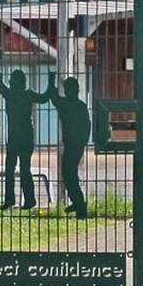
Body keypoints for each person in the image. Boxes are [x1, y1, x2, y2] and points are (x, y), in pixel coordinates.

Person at [0, 49, 55, 210]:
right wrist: (51, 81)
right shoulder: (26, 94)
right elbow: (45, 97)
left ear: (15, 83)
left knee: (10, 170)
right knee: (24, 170)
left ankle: (10, 200)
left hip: (16, 137)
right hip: (26, 137)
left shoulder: (10, 94)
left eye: (13, 80)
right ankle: (28, 200)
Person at [50, 76, 91, 219]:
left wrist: (51, 82)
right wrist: (83, 141)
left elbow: (53, 97)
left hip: (73, 145)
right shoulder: (80, 105)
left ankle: (80, 204)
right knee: (70, 175)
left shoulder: (66, 104)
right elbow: (88, 125)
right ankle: (78, 202)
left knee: (68, 175)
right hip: (77, 145)